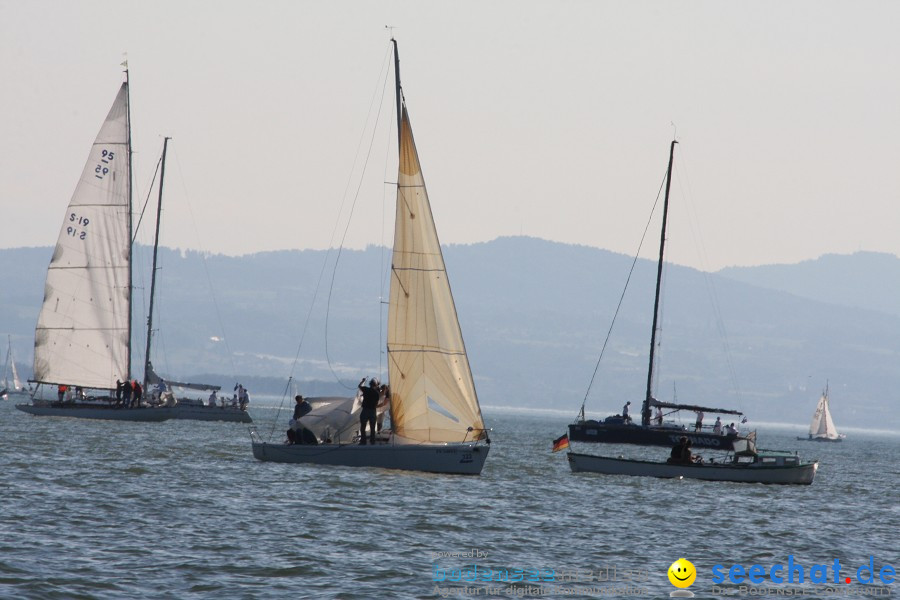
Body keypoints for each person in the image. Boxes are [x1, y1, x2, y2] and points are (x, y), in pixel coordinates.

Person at [358, 377, 379, 445]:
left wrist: (363, 381)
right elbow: (376, 404)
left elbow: (359, 386)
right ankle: (372, 441)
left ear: (370, 384)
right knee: (372, 428)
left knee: (363, 426)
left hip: (365, 410)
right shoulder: (376, 393)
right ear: (375, 385)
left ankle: (363, 441)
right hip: (372, 411)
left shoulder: (366, 389)